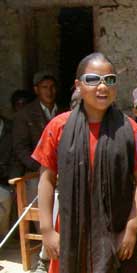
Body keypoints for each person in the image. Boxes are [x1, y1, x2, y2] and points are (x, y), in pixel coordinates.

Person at [33, 52, 137, 273]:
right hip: (71, 233)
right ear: (78, 85)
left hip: (117, 231)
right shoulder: (59, 127)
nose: (102, 87)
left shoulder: (130, 129)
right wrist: (47, 230)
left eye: (110, 80)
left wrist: (132, 228)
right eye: (93, 79)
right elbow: (46, 179)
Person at [12, 71, 63, 273]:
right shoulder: (25, 115)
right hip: (35, 172)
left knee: (62, 199)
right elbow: (20, 149)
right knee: (44, 195)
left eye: (52, 87)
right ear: (36, 90)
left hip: (63, 173)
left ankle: (49, 254)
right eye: (44, 87)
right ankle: (46, 255)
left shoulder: (64, 111)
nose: (49, 91)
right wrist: (42, 169)